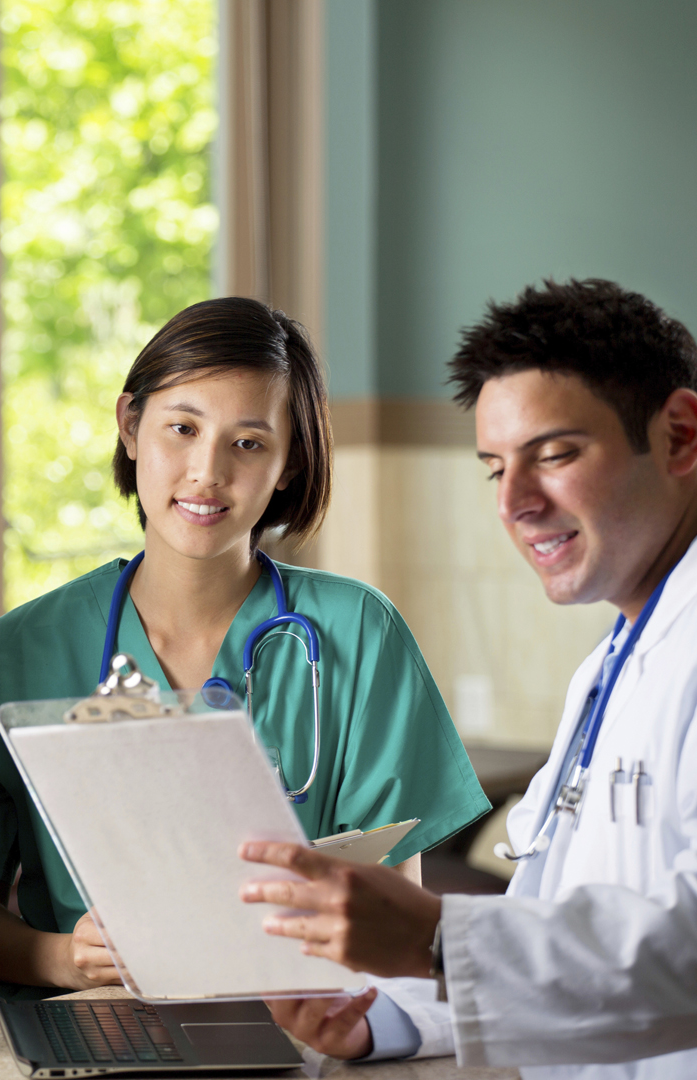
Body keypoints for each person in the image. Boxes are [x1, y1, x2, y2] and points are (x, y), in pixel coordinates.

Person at [0, 296, 492, 1013]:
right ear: (130, 427)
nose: (207, 471)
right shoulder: (32, 642)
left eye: (249, 443)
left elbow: (398, 908)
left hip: (302, 1023)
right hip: (96, 1023)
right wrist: (63, 959)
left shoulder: (359, 631)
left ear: (291, 463)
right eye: (182, 428)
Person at [241, 279, 697, 1079]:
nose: (515, 502)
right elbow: (555, 932)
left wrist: (434, 937)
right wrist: (377, 1016)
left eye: (555, 455)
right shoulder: (618, 655)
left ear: (682, 436)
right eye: (495, 468)